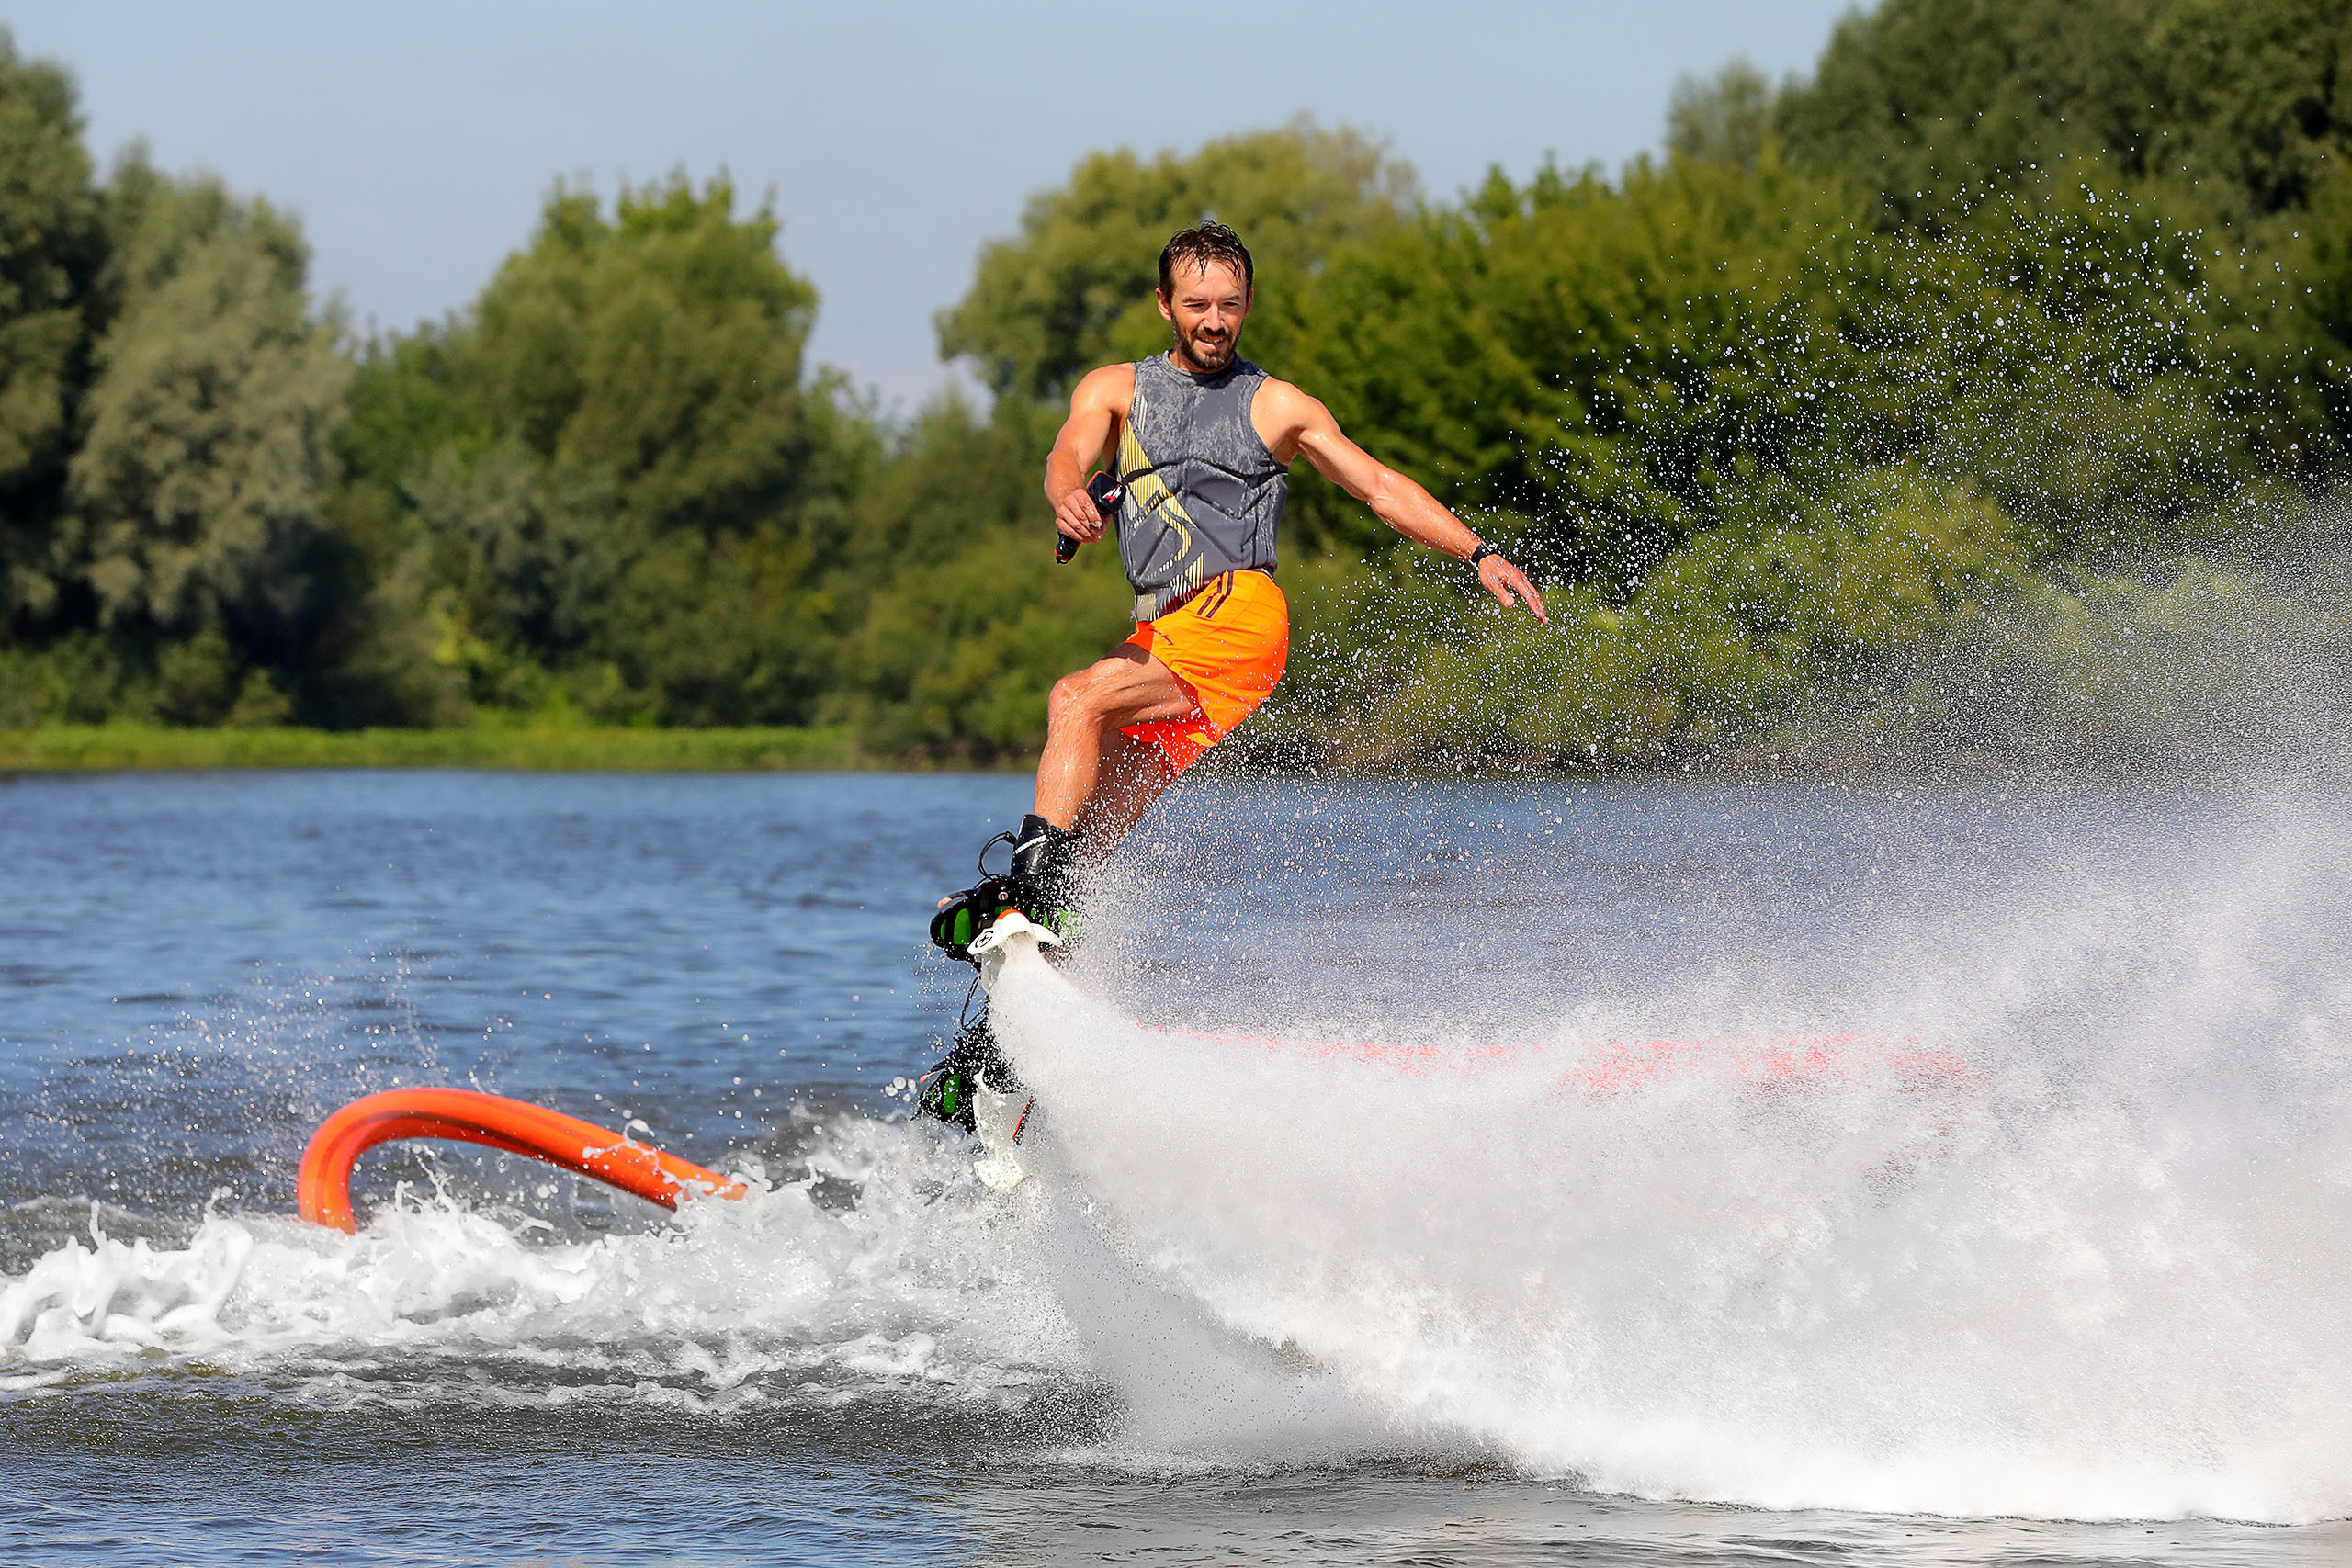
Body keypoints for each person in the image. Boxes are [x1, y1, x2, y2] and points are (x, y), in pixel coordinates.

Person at [930, 221, 1547, 962]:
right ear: (1164, 303)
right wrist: (1067, 495)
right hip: (1161, 638)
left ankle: (1027, 895)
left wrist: (1476, 549)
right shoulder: (1115, 389)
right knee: (1092, 839)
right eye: (1197, 304)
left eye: (1229, 303)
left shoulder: (1278, 405)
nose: (1214, 321)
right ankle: (1025, 1012)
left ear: (1248, 303)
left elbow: (1379, 486)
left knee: (1075, 698)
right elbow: (1066, 454)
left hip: (1238, 614)